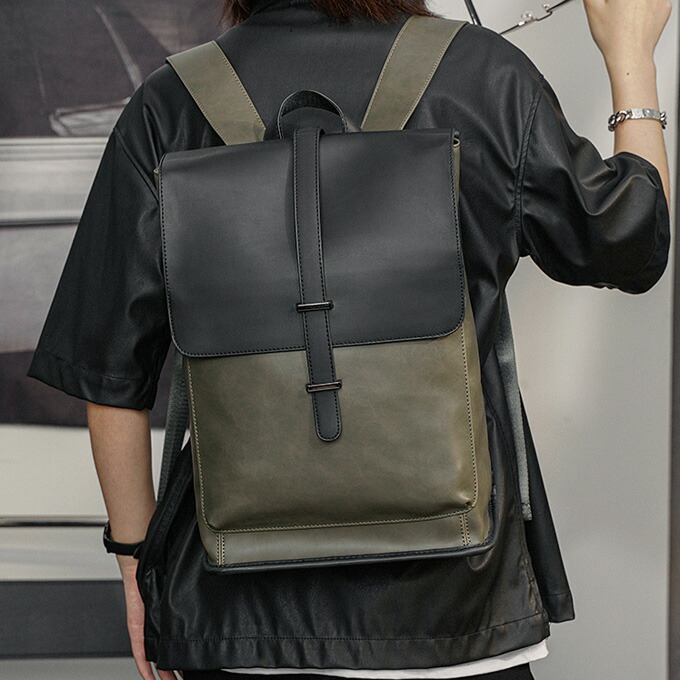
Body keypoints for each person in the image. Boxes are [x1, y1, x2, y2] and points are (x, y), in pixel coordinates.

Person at [26, 0, 672, 678]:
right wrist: (630, 59)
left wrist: (137, 564)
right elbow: (630, 243)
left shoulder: (170, 102)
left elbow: (109, 376)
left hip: (238, 613)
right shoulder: (485, 74)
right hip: (453, 605)